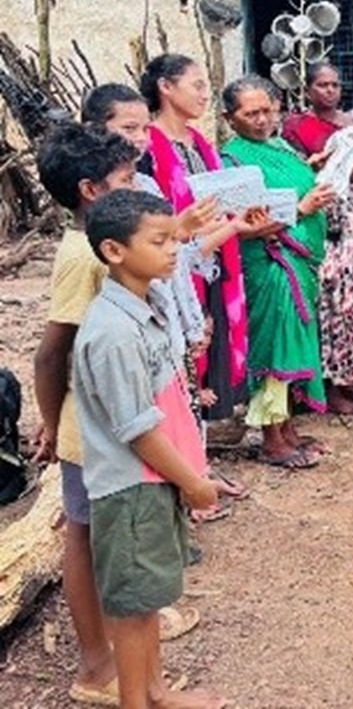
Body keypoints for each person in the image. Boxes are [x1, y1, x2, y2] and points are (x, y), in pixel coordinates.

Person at [73, 189, 225, 709]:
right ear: (115, 251)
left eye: (172, 238)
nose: (173, 248)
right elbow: (137, 429)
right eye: (159, 241)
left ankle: (155, 691)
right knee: (134, 608)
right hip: (132, 488)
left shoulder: (146, 302)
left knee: (148, 597)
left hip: (154, 481)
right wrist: (193, 482)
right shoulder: (113, 333)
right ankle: (136, 701)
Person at [82, 83, 252, 515]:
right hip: (132, 390)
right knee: (151, 425)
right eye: (128, 128)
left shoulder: (144, 185)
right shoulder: (98, 234)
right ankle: (187, 489)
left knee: (179, 416)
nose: (140, 138)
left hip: (167, 334)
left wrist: (223, 231)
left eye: (144, 128)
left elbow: (177, 258)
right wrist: (181, 228)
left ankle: (189, 488)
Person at [33, 125, 138, 705]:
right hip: (88, 425)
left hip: (108, 417)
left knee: (103, 533)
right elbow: (52, 353)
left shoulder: (106, 242)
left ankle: (119, 640)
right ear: (91, 189)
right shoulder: (81, 256)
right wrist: (52, 424)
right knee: (84, 534)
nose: (136, 186)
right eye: (126, 179)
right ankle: (95, 664)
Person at [220, 77, 336, 469]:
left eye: (267, 111)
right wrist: (302, 209)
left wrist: (312, 172)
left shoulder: (280, 146)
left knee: (293, 339)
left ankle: (287, 429)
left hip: (298, 261)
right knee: (275, 343)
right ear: (230, 118)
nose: (261, 120)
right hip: (269, 263)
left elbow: (289, 186)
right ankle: (271, 439)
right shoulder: (233, 161)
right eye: (250, 113)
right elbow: (244, 222)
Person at [140, 54, 248, 422]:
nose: (205, 95)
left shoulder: (201, 143)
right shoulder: (148, 148)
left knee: (209, 343)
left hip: (214, 258)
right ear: (166, 87)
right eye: (197, 85)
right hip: (175, 266)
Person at [283, 63, 353, 415]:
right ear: (308, 89)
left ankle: (350, 377)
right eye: (322, 85)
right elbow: (298, 172)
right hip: (327, 218)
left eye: (335, 85)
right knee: (331, 304)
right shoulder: (297, 126)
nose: (330, 91)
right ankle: (326, 386)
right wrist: (318, 166)